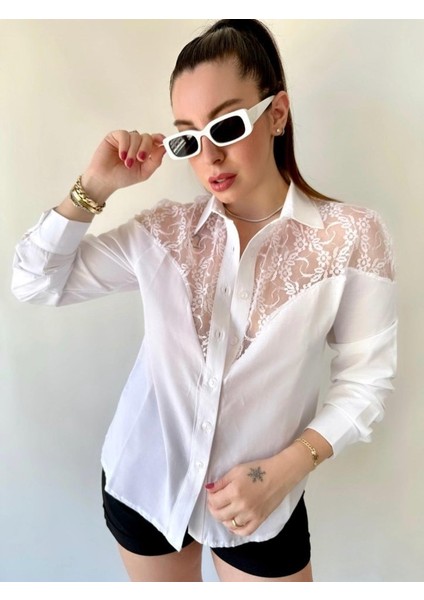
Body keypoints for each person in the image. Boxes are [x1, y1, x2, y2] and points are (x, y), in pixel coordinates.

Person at [11, 19, 397, 582]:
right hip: (143, 486)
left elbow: (367, 380)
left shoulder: (352, 237)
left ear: (277, 114)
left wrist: (285, 470)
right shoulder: (163, 234)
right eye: (188, 138)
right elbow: (34, 282)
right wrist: (95, 185)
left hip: (263, 503)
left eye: (227, 125)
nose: (209, 155)